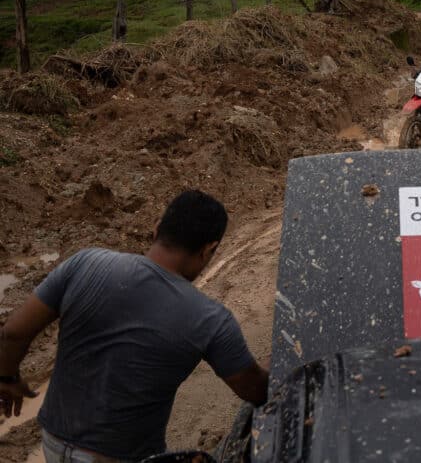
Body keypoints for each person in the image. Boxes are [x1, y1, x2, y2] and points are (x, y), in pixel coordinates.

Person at [0, 190, 269, 462]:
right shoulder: (211, 319)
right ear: (208, 250)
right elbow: (255, 390)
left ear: (156, 229)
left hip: (54, 441)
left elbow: (13, 332)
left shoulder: (84, 263)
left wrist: (7, 378)